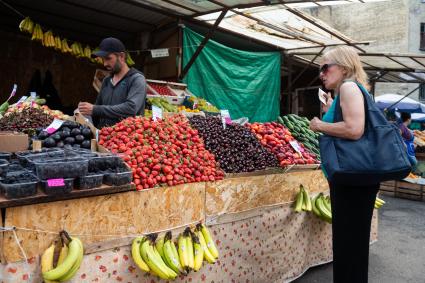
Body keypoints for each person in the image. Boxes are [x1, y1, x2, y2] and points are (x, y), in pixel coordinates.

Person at [309, 46, 378, 283]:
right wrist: (331, 110)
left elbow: (354, 129)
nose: (322, 73)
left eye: (326, 67)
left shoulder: (349, 87)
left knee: (349, 245)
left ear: (345, 67)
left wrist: (320, 125)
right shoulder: (346, 92)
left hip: (353, 179)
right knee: (351, 245)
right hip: (354, 178)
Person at [78, 37, 146, 128]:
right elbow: (98, 107)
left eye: (108, 58)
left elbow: (131, 108)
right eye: (103, 59)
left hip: (126, 138)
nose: (105, 64)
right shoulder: (107, 80)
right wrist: (85, 111)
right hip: (104, 135)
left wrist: (95, 109)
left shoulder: (136, 79)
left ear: (121, 56)